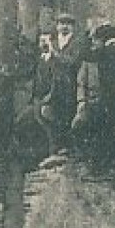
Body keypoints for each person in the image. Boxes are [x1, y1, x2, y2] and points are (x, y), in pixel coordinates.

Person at [72, 21, 115, 171]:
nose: (95, 43)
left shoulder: (103, 54)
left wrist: (86, 37)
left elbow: (83, 56)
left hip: (108, 104)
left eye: (96, 40)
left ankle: (96, 167)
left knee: (96, 131)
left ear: (102, 40)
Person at [35, 13, 84, 161]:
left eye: (68, 23)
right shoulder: (53, 43)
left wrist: (53, 53)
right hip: (53, 89)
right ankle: (56, 150)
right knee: (48, 116)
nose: (64, 26)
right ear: (57, 26)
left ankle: (68, 151)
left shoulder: (77, 43)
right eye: (61, 23)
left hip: (70, 88)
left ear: (73, 27)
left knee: (68, 118)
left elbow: (71, 62)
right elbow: (45, 67)